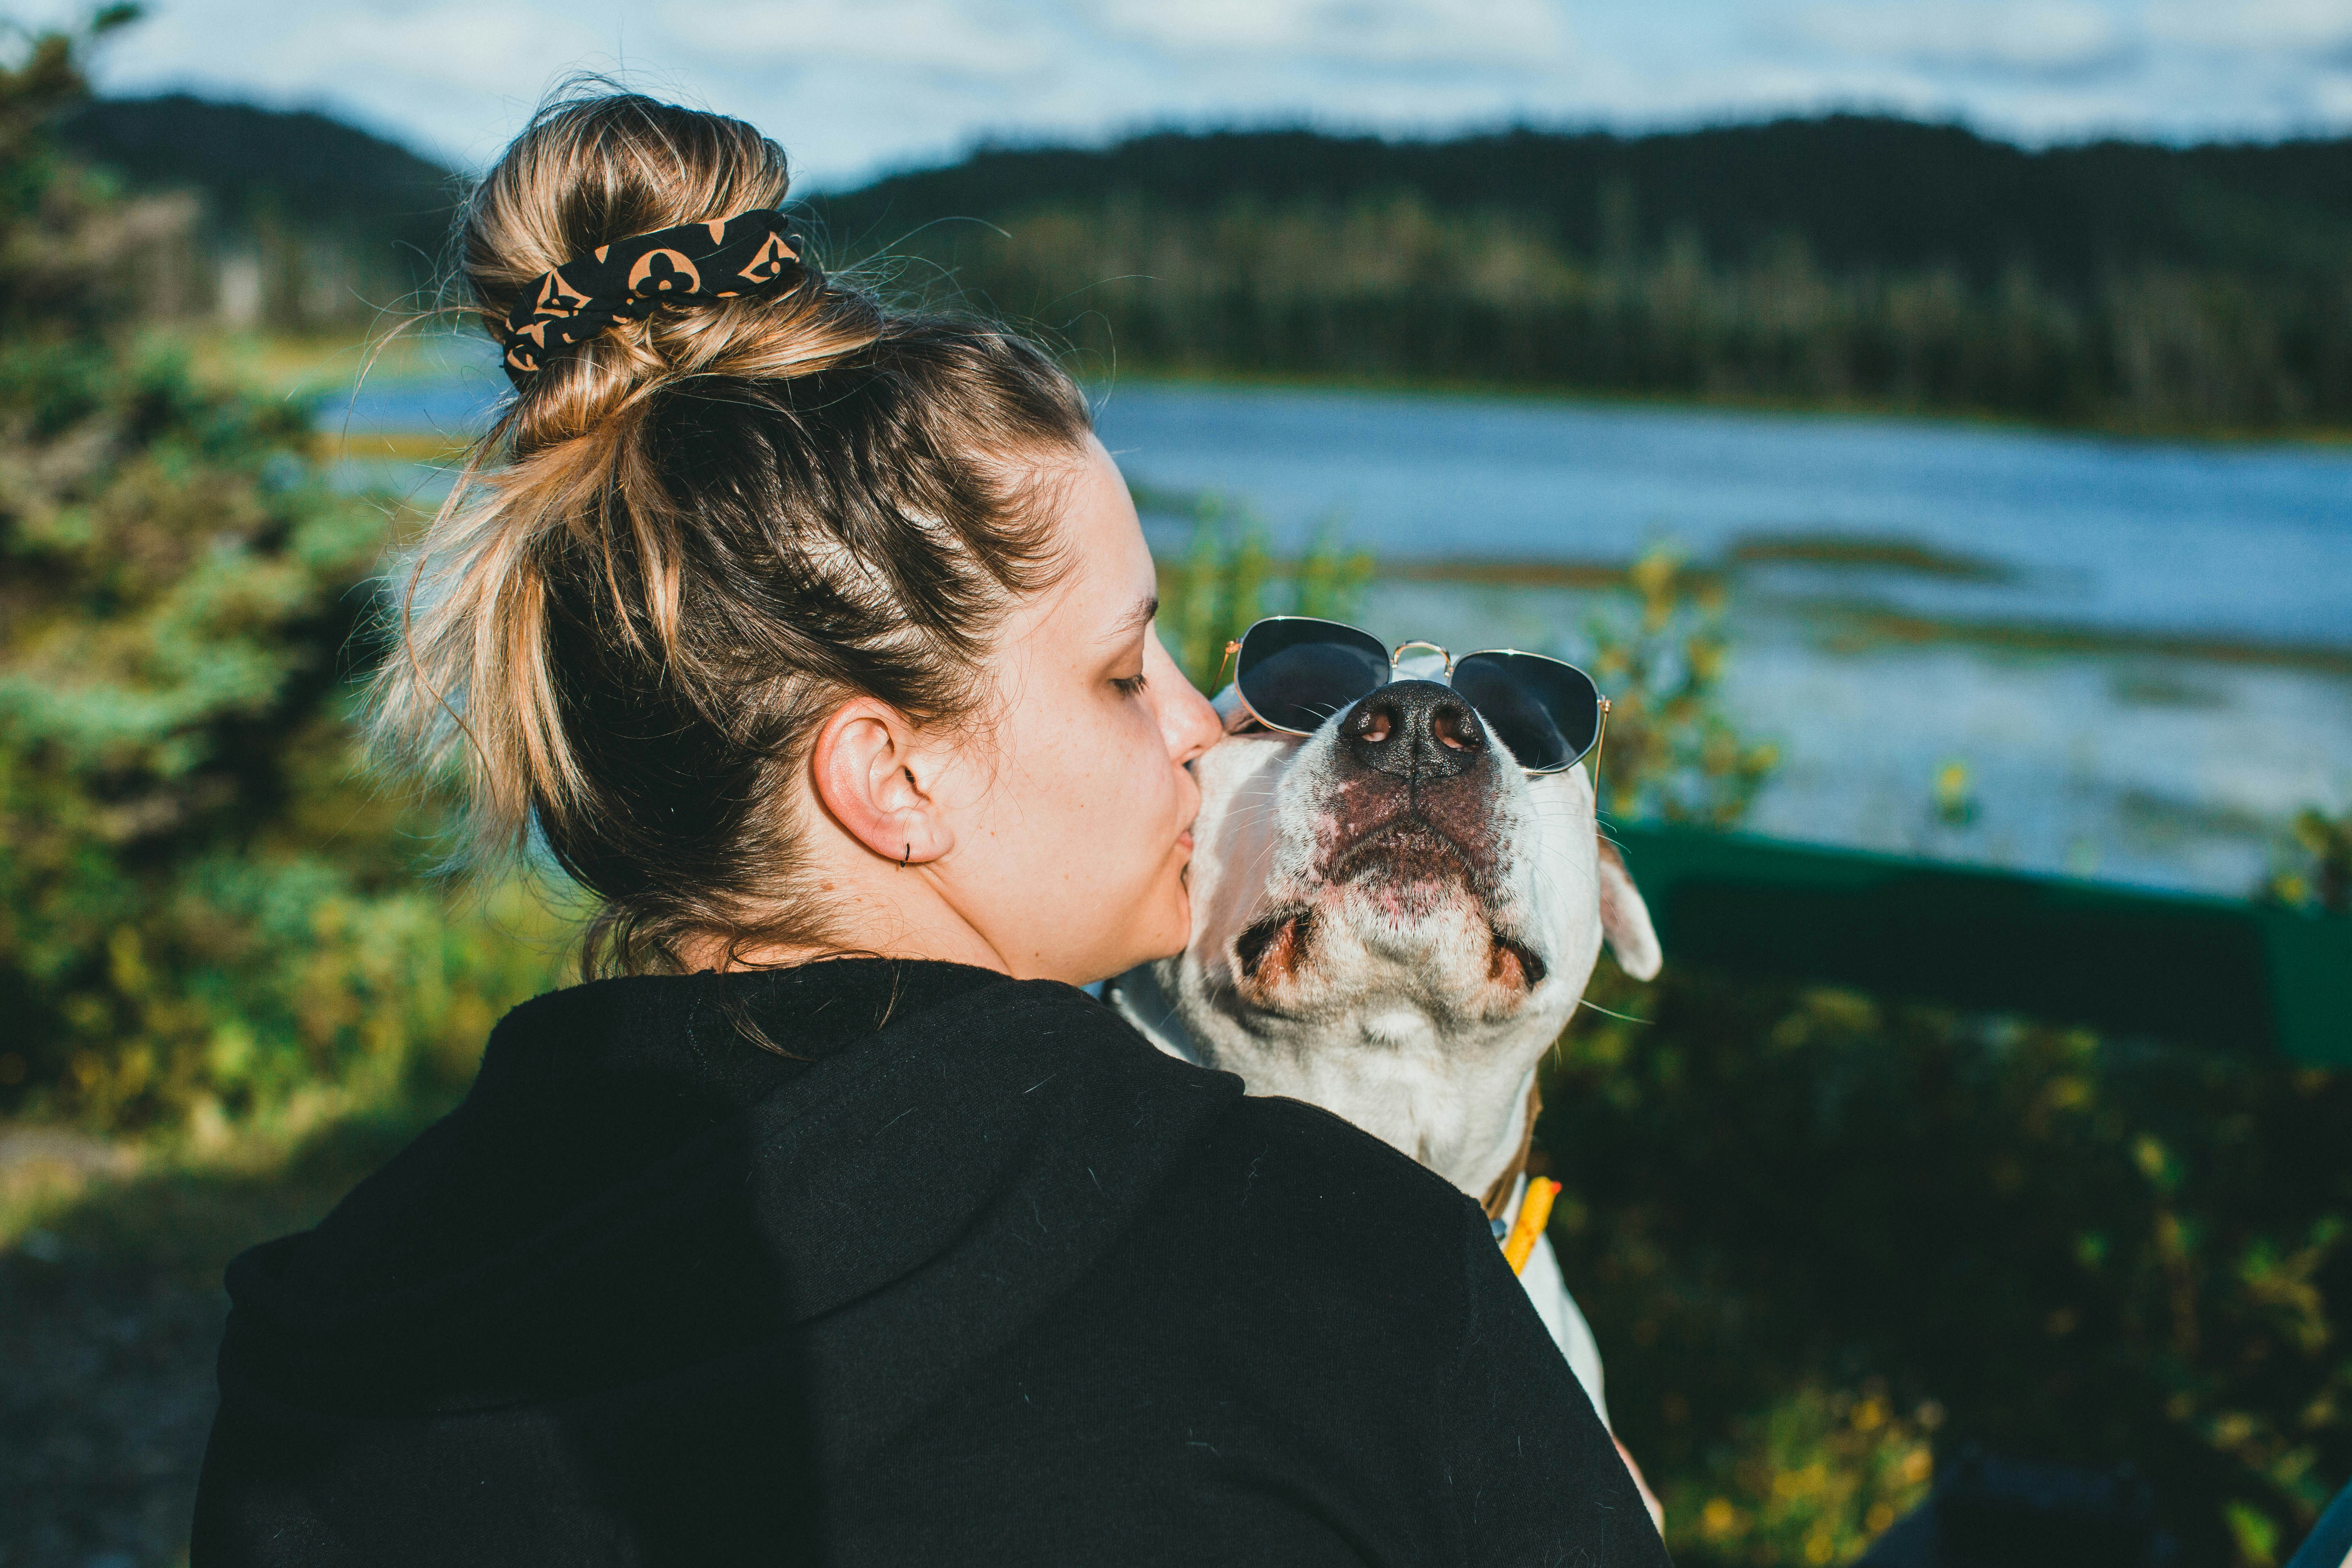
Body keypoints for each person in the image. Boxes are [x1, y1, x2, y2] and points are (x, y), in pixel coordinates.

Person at [188, 89, 1667, 1568]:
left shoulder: (330, 1316)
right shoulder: (1357, 1284)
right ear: (891, 781)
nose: (1199, 727)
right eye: (1121, 672)